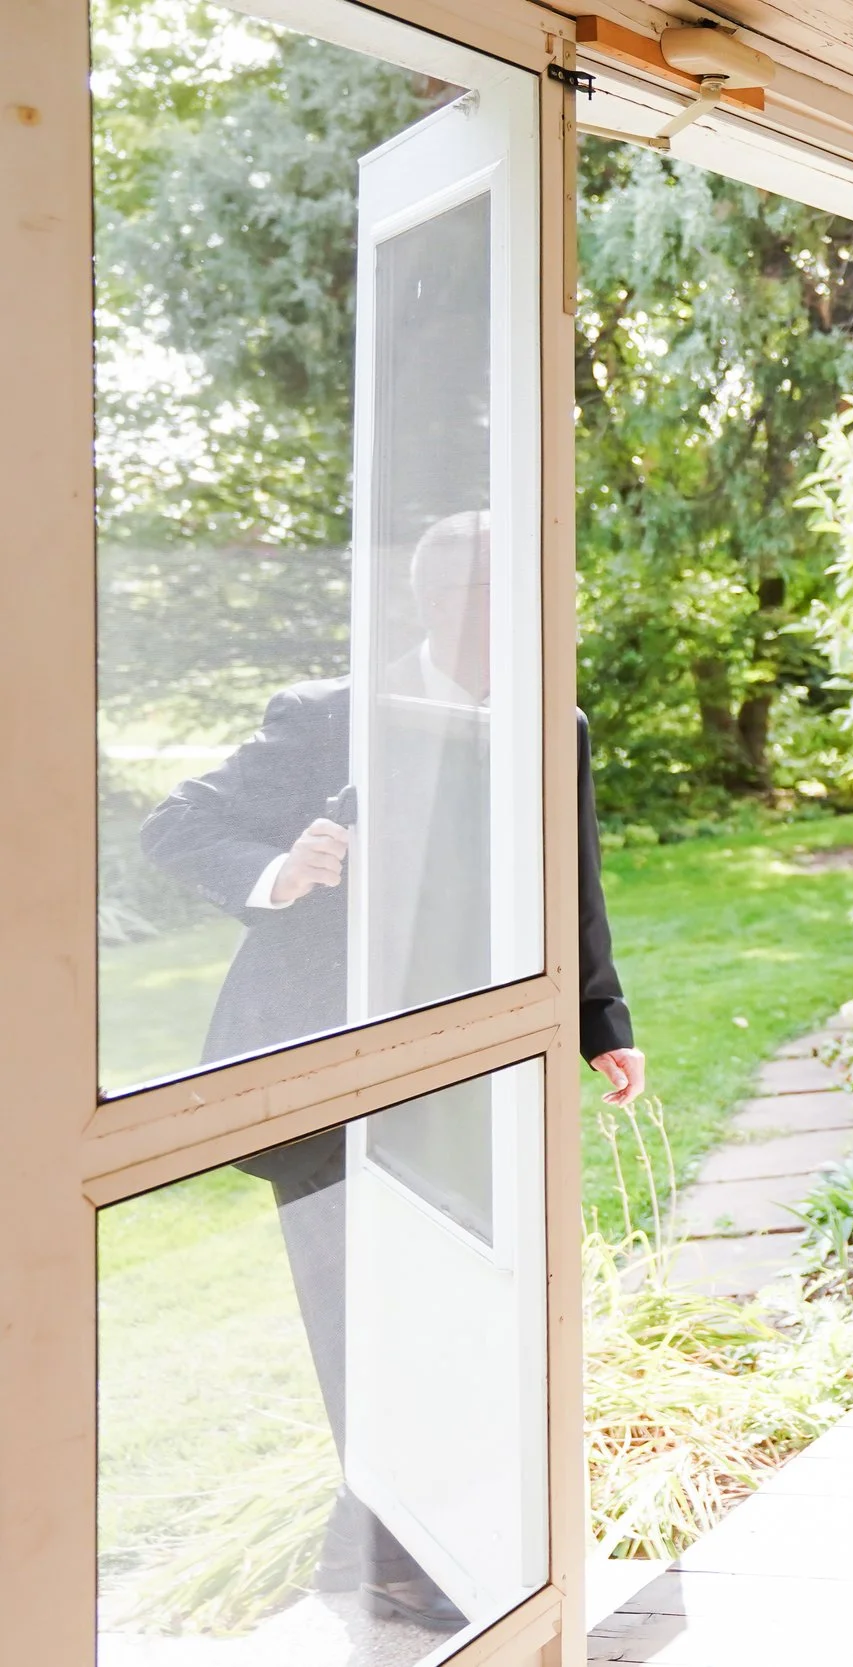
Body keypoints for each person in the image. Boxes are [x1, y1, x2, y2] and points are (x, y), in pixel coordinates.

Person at [141, 512, 644, 1629]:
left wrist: (601, 1019)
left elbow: (576, 878)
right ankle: (400, 1562)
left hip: (473, 1069)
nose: (517, 615)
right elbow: (178, 824)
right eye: (489, 592)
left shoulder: (549, 721)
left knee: (455, 1308)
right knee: (357, 1318)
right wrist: (281, 866)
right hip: (327, 1074)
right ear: (434, 599)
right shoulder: (331, 718)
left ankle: (385, 1552)